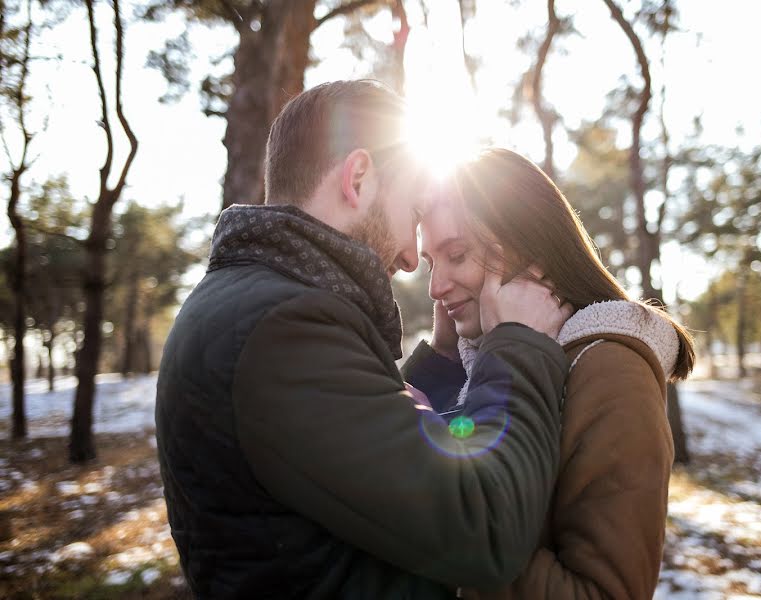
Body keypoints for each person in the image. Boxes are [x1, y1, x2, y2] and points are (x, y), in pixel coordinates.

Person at [155, 81, 574, 599]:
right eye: (414, 216)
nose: (407, 256)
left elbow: (353, 461)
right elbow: (486, 527)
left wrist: (442, 366)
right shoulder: (284, 329)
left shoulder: (251, 304)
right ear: (357, 178)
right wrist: (520, 345)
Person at [408, 147, 696, 599]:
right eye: (431, 263)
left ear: (530, 248)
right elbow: (445, 446)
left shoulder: (610, 372)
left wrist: (450, 524)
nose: (435, 286)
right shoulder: (477, 361)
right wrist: (444, 361)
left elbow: (603, 592)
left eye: (457, 254)